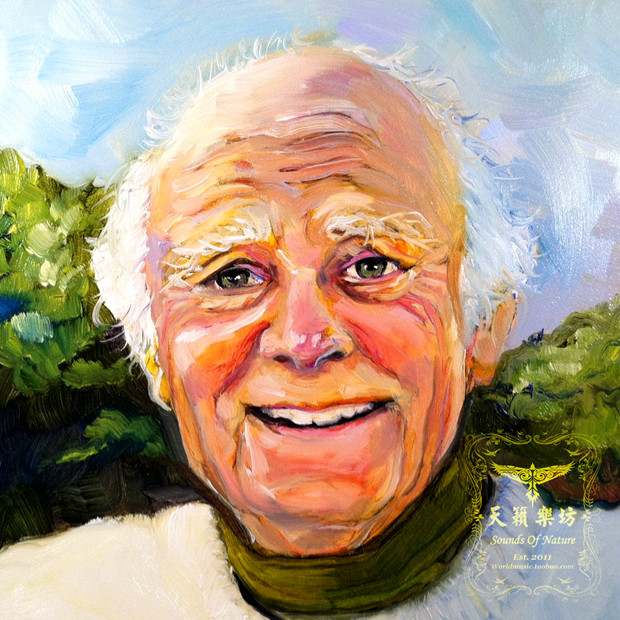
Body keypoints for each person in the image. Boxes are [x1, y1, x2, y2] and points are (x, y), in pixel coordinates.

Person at [0, 36, 616, 619]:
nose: (303, 340)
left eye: (371, 265)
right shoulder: (39, 600)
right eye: (231, 275)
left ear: (484, 325)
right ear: (154, 349)